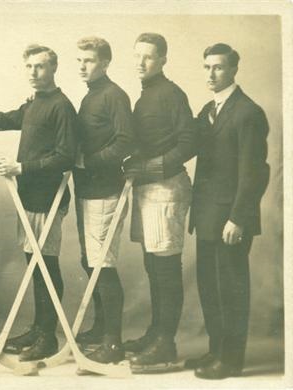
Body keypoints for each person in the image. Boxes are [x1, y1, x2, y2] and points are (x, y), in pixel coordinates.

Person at [186, 43, 269, 379]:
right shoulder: (209, 108)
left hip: (231, 219)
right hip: (206, 215)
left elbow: (254, 172)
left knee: (231, 288)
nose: (211, 73)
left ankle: (231, 360)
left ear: (234, 69)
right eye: (206, 67)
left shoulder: (248, 112)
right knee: (209, 287)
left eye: (218, 67)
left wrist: (238, 217)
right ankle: (216, 350)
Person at [0, 44, 77, 362]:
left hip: (49, 198)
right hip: (28, 196)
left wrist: (21, 168)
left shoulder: (61, 106)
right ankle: (38, 328)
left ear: (54, 68)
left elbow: (65, 156)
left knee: (46, 265)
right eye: (29, 66)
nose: (34, 72)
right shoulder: (33, 104)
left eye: (40, 66)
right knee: (34, 265)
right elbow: (0, 119)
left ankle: (48, 337)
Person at [122, 33, 196, 372]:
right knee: (154, 266)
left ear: (163, 59)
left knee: (166, 268)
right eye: (137, 56)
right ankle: (156, 334)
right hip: (147, 190)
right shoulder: (146, 95)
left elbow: (189, 142)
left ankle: (166, 344)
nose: (141, 63)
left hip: (167, 188)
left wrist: (152, 166)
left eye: (149, 57)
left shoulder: (172, 94)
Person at [72, 36, 135, 363]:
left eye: (90, 60)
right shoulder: (90, 97)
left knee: (102, 265)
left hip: (107, 190)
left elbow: (125, 142)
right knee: (90, 261)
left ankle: (113, 342)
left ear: (106, 62)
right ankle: (100, 327)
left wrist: (89, 162)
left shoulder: (114, 96)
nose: (82, 66)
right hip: (86, 190)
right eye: (79, 60)